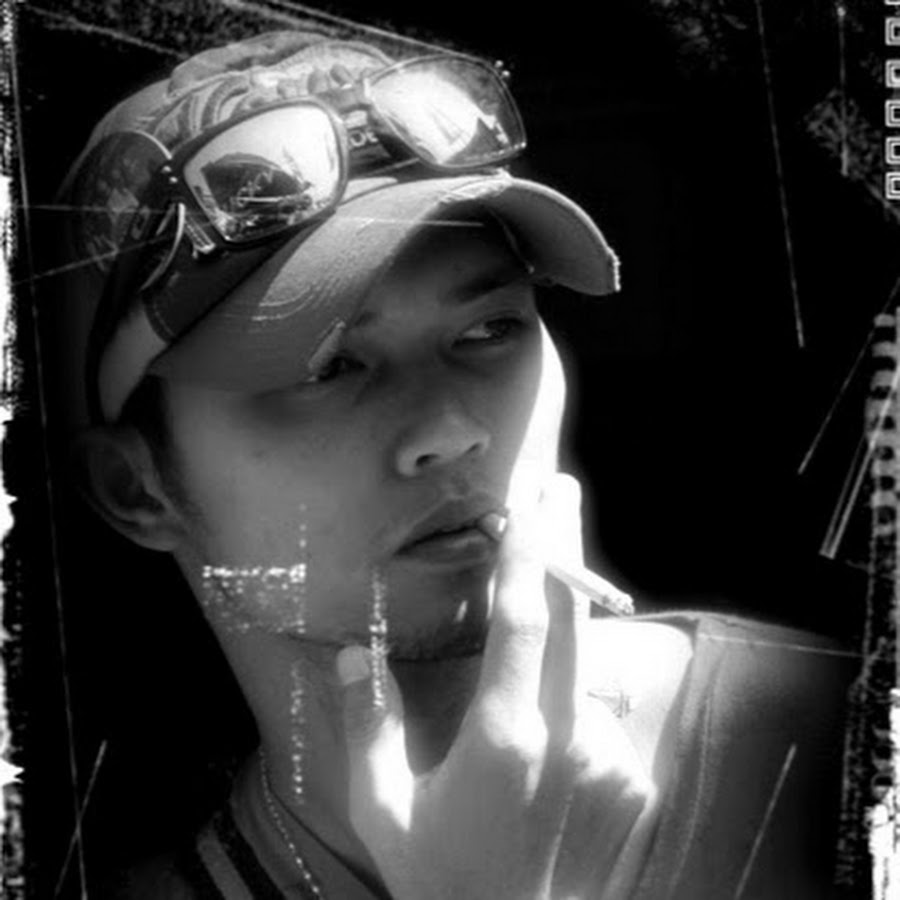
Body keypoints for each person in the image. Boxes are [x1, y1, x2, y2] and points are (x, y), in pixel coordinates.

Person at [47, 28, 854, 899]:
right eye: (326, 368)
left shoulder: (843, 747)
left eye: (490, 329)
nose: (453, 429)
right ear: (136, 489)